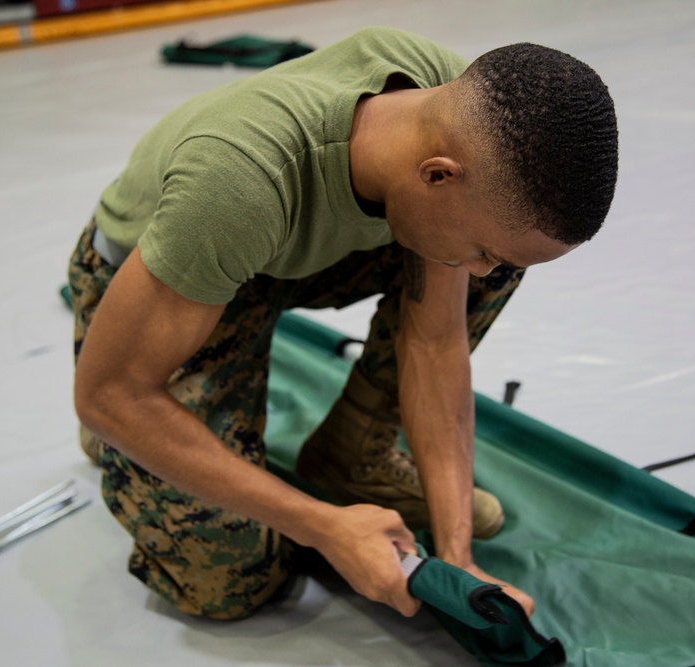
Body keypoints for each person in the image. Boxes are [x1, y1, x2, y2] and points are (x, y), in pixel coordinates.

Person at [69, 26, 618, 622]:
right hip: (169, 274)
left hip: (278, 254)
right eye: (483, 248)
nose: (483, 270)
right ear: (437, 174)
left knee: (491, 261)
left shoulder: (461, 114)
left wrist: (456, 554)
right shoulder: (236, 181)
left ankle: (351, 453)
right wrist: (323, 526)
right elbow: (108, 394)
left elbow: (434, 342)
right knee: (224, 584)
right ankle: (126, 446)